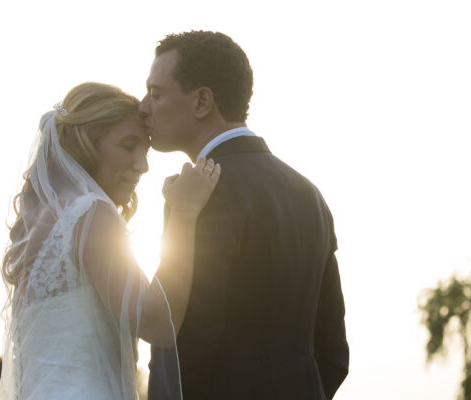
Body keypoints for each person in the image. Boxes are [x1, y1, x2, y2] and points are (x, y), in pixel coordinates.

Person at [140, 31, 349, 399]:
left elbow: (188, 339)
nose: (142, 107)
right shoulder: (309, 194)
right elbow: (333, 352)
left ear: (202, 102)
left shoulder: (198, 194)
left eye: (156, 94)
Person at [0, 82, 220, 399]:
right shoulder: (89, 211)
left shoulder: (42, 223)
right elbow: (157, 323)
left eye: (144, 151)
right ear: (85, 143)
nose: (143, 165)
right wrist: (184, 214)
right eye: (129, 146)